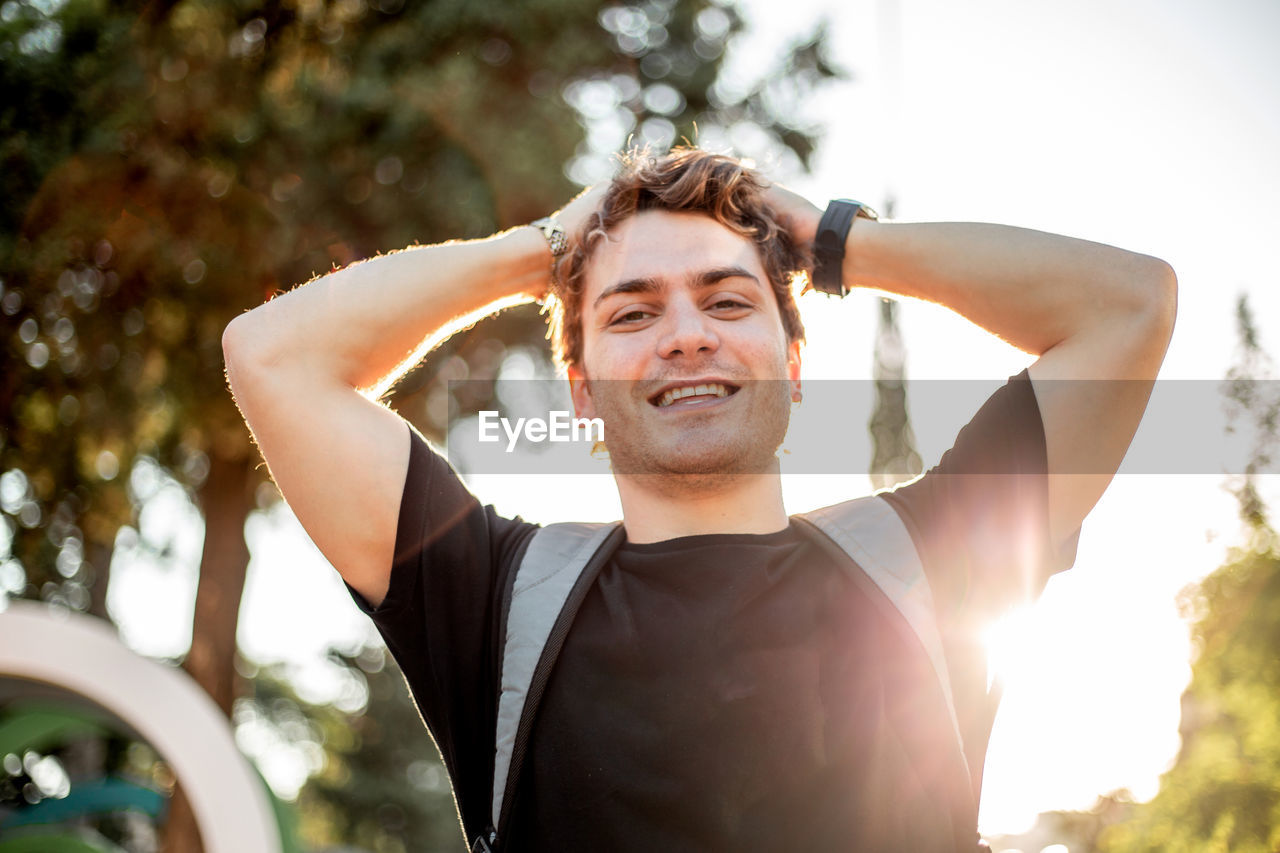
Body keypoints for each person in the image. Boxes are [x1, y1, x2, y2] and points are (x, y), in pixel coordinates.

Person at [222, 147, 1176, 851]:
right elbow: (272, 355)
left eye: (726, 301)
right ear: (583, 391)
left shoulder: (932, 558)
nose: (685, 335)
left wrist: (835, 242)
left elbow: (1129, 304)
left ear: (795, 365)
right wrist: (544, 249)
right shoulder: (497, 600)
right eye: (631, 312)